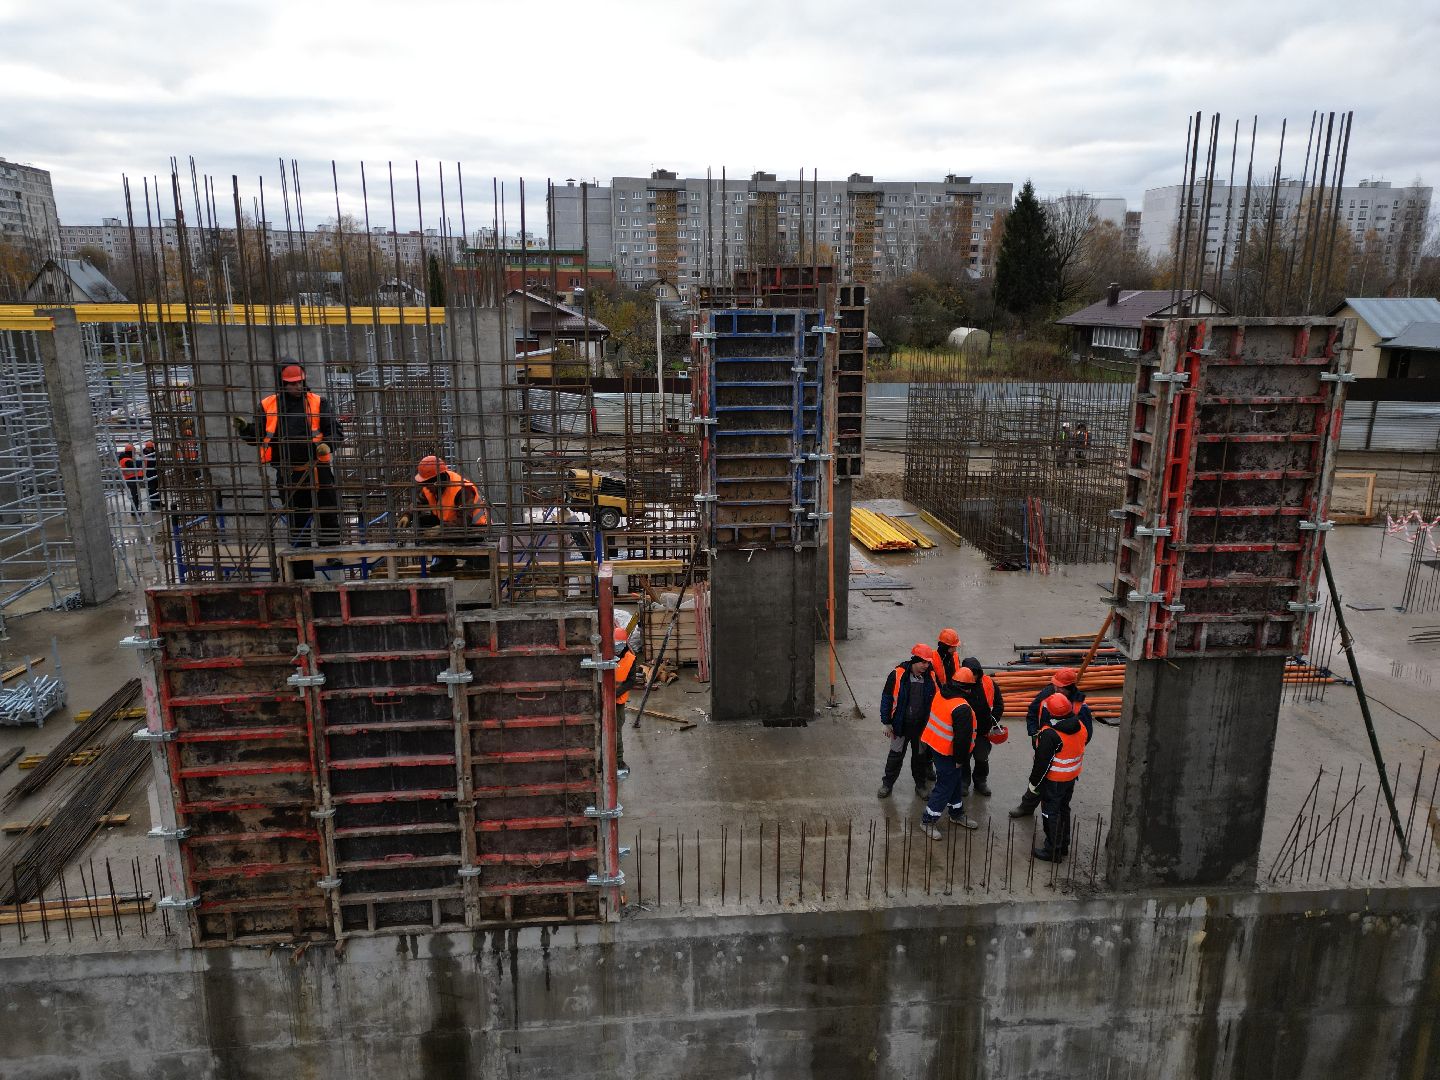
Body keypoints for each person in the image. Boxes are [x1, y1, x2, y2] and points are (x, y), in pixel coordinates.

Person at [237, 362, 344, 579]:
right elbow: (258, 436)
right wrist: (245, 430)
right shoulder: (268, 405)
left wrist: (328, 445)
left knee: (327, 510)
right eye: (291, 384)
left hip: (317, 468)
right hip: (288, 472)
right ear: (283, 384)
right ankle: (302, 567)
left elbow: (334, 430)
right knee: (298, 517)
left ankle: (331, 552)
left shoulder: (317, 402)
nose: (296, 387)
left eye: (299, 382)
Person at [1014, 692, 1092, 861]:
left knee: (1050, 813)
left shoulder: (1050, 735)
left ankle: (1052, 851)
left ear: (1052, 712)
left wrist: (1034, 783)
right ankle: (1063, 844)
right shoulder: (1080, 726)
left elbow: (1042, 764)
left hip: (1054, 780)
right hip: (1071, 777)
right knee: (1064, 809)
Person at [400, 454, 490, 573]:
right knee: (422, 521)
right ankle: (446, 560)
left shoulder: (462, 490)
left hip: (475, 531)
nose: (425, 488)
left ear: (437, 480)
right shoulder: (430, 488)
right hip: (450, 526)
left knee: (438, 534)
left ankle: (480, 558)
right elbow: (418, 503)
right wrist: (407, 515)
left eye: (427, 484)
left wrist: (441, 529)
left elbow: (464, 522)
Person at [917, 669, 979, 838]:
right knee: (945, 785)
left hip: (934, 744)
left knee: (954, 781)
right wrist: (960, 759)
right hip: (948, 752)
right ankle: (927, 820)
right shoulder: (962, 708)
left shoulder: (941, 693)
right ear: (967, 688)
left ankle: (956, 813)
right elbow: (962, 739)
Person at [878, 644, 938, 799]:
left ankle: (920, 785)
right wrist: (886, 722)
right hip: (900, 726)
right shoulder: (897, 675)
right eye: (923, 662)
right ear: (915, 661)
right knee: (895, 756)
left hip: (921, 727)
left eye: (928, 662)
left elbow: (937, 700)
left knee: (920, 759)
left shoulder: (931, 677)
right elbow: (887, 698)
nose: (926, 665)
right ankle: (887, 784)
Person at [953, 658, 1006, 798]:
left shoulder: (989, 683)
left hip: (982, 732)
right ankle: (964, 782)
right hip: (966, 732)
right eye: (971, 673)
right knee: (963, 758)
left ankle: (980, 781)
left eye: (976, 673)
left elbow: (999, 704)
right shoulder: (959, 685)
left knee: (982, 758)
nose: (974, 677)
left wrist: (992, 721)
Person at [1024, 667, 1085, 740]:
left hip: (1066, 745)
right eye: (1055, 685)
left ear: (1069, 688)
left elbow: (1086, 732)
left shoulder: (1080, 705)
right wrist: (1033, 731)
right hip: (1044, 740)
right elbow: (1032, 711)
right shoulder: (1047, 693)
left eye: (1059, 687)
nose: (1056, 688)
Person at [612, 627, 636, 775]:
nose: (617, 649)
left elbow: (630, 681)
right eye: (615, 645)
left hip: (618, 701)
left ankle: (618, 761)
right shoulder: (605, 654)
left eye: (620, 645)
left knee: (616, 732)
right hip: (604, 698)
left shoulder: (630, 659)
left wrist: (615, 693)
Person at [117, 444, 143, 511]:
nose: (134, 454)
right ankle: (134, 510)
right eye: (133, 452)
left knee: (135, 495)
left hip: (131, 479)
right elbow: (135, 465)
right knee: (135, 495)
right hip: (131, 479)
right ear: (131, 452)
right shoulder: (126, 460)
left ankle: (135, 510)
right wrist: (140, 462)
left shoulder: (125, 459)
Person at [141, 440, 161, 510]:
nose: (149, 449)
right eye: (148, 448)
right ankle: (152, 504)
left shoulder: (155, 454)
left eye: (150, 448)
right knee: (151, 489)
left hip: (155, 473)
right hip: (148, 474)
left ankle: (158, 502)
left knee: (157, 488)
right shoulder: (144, 455)